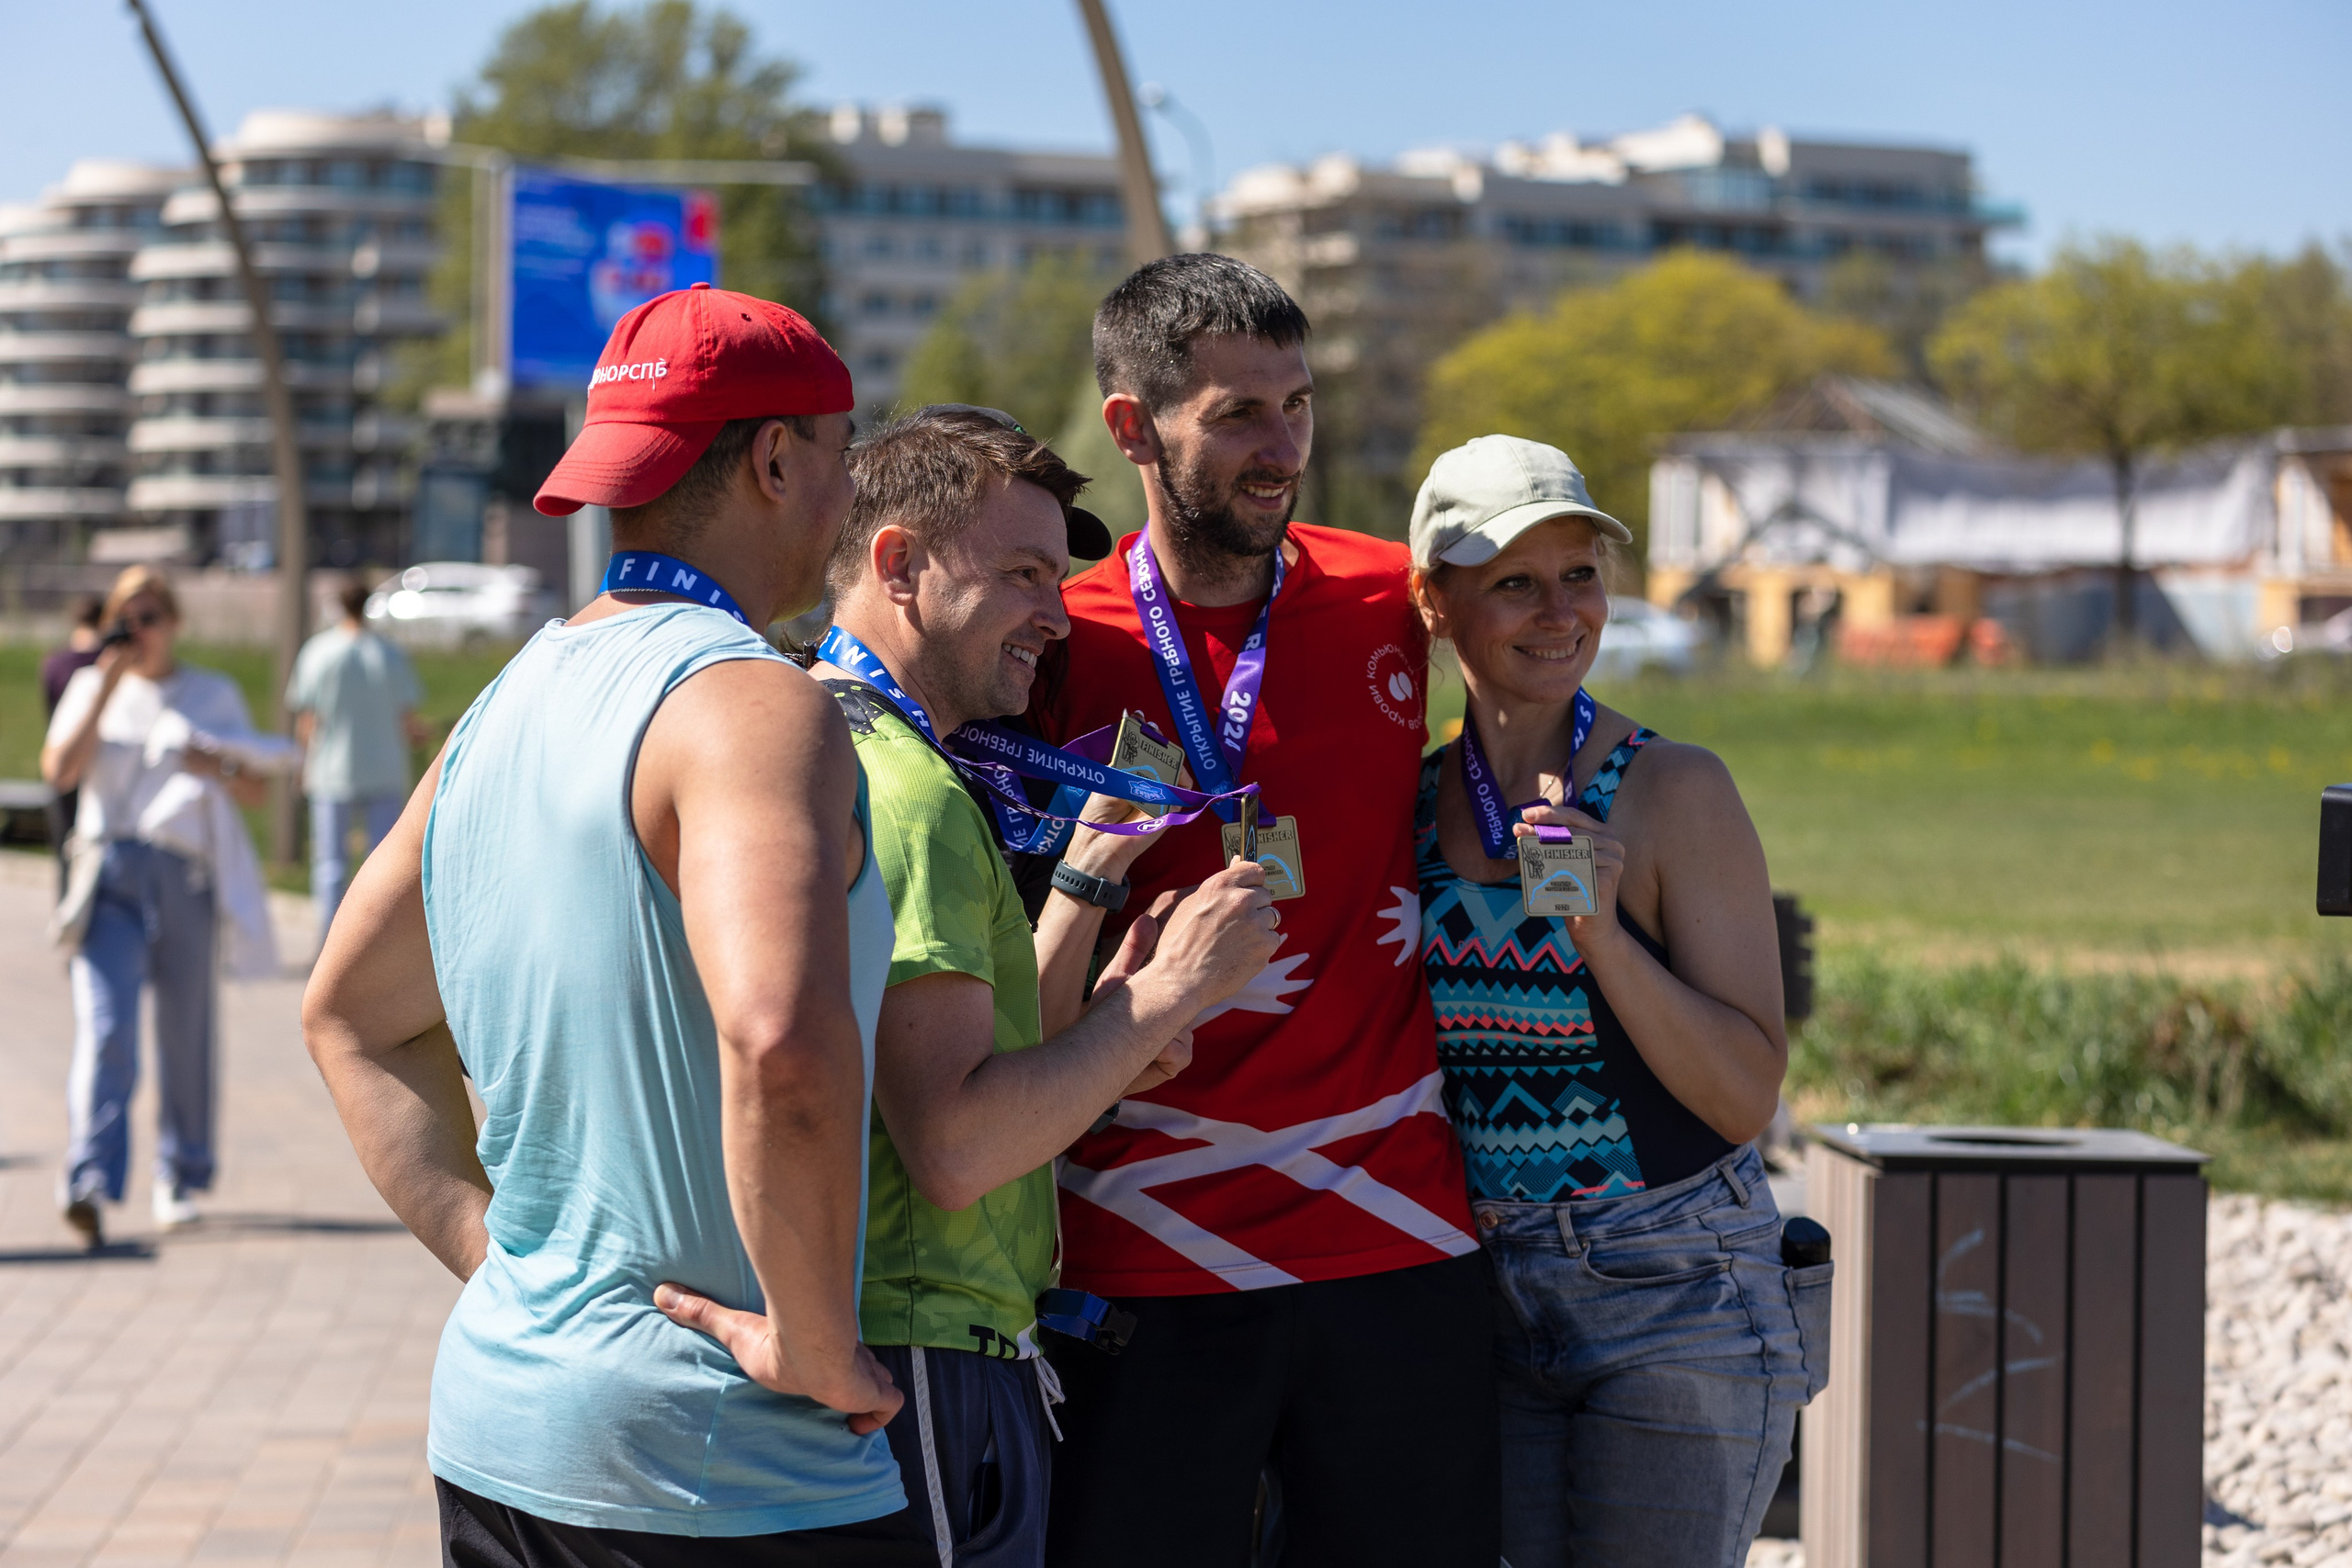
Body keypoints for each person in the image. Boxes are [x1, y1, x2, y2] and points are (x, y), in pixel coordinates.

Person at [303, 284, 932, 1565]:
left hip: (503, 1434)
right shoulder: (754, 704)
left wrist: (499, 1257)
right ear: (773, 457)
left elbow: (348, 1016)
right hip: (727, 1466)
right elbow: (781, 1046)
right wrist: (811, 1340)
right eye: (839, 451)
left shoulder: (502, 705)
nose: (847, 490)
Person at [657, 406, 1283, 1568]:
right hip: (920, 1357)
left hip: (915, 1346)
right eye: (1024, 574)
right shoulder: (902, 790)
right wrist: (1167, 995)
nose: (1057, 613)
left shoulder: (850, 746)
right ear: (896, 563)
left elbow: (986, 1067)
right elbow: (953, 1145)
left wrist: (1089, 893)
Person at [1024, 254, 1498, 1567]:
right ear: (1131, 426)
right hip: (1142, 1243)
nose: (1280, 445)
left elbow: (1542, 670)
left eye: (1296, 405)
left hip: (1395, 1229)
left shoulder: (1389, 597)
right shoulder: (1053, 637)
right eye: (1238, 413)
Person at [1408, 435, 1825, 1567]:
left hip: (1675, 1286)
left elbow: (1744, 1097)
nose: (1559, 612)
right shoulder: (1407, 797)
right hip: (1484, 1298)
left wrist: (1598, 928)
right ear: (1432, 603)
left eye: (1580, 574)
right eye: (1513, 582)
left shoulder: (1672, 788)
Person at [40, 566, 298, 1247]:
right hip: (111, 874)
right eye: (127, 619)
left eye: (152, 617)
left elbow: (254, 794)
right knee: (106, 1029)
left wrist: (218, 768)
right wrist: (106, 686)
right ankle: (89, 1180)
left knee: (187, 1033)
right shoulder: (93, 686)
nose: (140, 632)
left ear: (176, 623)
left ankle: (178, 1172)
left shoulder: (211, 694)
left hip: (183, 875)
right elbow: (58, 770)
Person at [287, 574, 425, 951]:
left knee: (330, 866)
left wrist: (302, 766)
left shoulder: (318, 651)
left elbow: (307, 720)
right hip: (383, 769)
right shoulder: (389, 654)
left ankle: (329, 946)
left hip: (331, 769)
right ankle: (375, 946)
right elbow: (407, 720)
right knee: (381, 867)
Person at [40, 593, 106, 892]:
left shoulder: (54, 663)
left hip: (64, 754)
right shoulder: (107, 662)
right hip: (101, 760)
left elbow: (49, 712)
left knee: (66, 848)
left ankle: (67, 912)